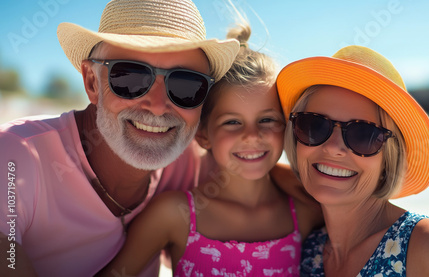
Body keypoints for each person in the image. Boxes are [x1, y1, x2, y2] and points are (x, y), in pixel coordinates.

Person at [0, 0, 267, 276]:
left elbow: (274, 179)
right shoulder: (14, 157)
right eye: (130, 77)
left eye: (186, 85)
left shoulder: (190, 163)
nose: (158, 105)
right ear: (92, 82)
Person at [96, 22, 323, 277]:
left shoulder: (306, 214)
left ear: (285, 126)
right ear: (203, 135)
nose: (251, 136)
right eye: (232, 122)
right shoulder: (174, 215)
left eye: (267, 119)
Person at [276, 45, 429, 276]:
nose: (333, 148)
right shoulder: (308, 250)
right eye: (314, 126)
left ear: (389, 159)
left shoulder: (426, 244)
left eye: (363, 135)